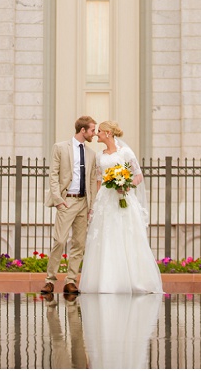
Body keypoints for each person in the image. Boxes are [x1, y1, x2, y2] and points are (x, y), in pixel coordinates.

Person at [78, 120, 162, 293]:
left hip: (123, 198)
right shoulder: (99, 156)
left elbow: (138, 175)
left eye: (99, 131)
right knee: (106, 237)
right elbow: (99, 182)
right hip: (105, 201)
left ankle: (133, 280)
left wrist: (126, 184)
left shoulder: (125, 152)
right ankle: (105, 282)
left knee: (125, 236)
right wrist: (94, 206)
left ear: (108, 133)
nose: (97, 134)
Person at [43, 116, 101, 297]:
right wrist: (58, 199)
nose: (94, 133)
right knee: (60, 241)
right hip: (67, 200)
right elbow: (53, 175)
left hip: (83, 202)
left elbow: (92, 181)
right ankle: (50, 280)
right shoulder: (60, 148)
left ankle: (70, 281)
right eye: (92, 130)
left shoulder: (92, 154)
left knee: (79, 243)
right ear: (83, 130)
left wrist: (91, 206)